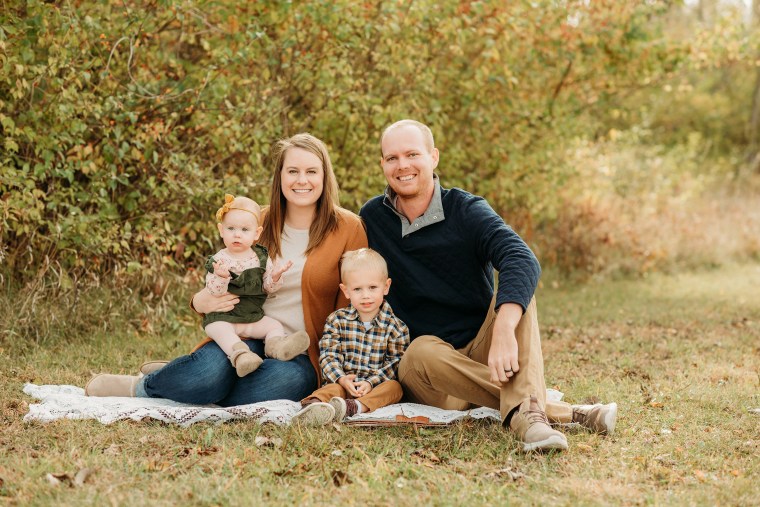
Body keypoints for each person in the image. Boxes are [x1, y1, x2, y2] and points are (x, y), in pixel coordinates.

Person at [359, 119, 617, 452]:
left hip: (486, 357)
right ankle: (558, 413)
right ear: (382, 164)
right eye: (392, 158)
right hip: (430, 374)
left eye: (412, 154)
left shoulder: (465, 209)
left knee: (517, 294)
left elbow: (520, 258)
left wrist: (504, 330)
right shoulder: (372, 217)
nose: (403, 165)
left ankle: (530, 416)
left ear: (433, 157)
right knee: (421, 349)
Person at [85, 133, 368, 405]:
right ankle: (146, 386)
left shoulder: (348, 228)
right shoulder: (256, 222)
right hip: (243, 331)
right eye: (292, 171)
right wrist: (198, 301)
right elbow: (221, 272)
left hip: (298, 350)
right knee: (207, 376)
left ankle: (183, 376)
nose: (302, 180)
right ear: (280, 176)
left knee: (284, 383)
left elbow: (352, 304)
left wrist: (343, 367)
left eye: (311, 171)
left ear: (324, 176)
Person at [291, 248, 409, 425]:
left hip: (373, 389)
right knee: (331, 389)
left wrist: (370, 382)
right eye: (357, 289)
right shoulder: (336, 320)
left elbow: (395, 363)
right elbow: (328, 355)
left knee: (395, 388)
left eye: (372, 287)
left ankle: (355, 407)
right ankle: (313, 406)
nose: (366, 295)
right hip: (343, 385)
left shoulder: (396, 327)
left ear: (386, 287)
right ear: (346, 291)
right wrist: (341, 378)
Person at [203, 193, 308, 377]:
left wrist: (274, 277)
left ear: (256, 234)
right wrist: (220, 277)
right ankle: (240, 355)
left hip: (252, 316)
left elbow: (267, 288)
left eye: (244, 230)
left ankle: (276, 346)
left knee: (273, 324)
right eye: (231, 228)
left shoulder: (260, 257)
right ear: (221, 230)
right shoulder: (219, 260)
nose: (237, 234)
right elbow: (213, 292)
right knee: (218, 329)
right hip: (225, 317)